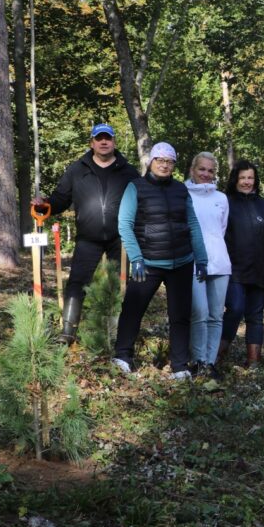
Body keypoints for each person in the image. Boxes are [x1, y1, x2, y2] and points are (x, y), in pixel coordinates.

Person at [33, 123, 139, 344]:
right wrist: (46, 205)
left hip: (120, 237)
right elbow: (61, 198)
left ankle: (117, 333)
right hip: (87, 237)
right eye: (98, 138)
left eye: (107, 138)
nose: (103, 142)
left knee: (119, 283)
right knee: (77, 283)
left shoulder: (128, 171)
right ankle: (68, 333)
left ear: (114, 142)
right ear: (91, 143)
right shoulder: (76, 169)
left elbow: (142, 201)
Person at [113, 142, 208, 379]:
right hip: (148, 262)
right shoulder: (136, 187)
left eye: (169, 161)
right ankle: (123, 356)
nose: (164, 165)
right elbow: (124, 224)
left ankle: (179, 366)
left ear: (174, 164)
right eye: (160, 160)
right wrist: (136, 258)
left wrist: (201, 258)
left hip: (182, 262)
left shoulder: (180, 189)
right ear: (151, 162)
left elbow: (193, 223)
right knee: (133, 309)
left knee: (180, 315)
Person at [220, 161, 264, 367]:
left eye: (250, 178)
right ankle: (217, 355)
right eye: (243, 178)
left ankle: (254, 360)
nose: (247, 182)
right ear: (235, 180)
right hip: (234, 268)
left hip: (261, 270)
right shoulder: (225, 202)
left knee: (256, 315)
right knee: (235, 309)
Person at [185, 152, 231, 379]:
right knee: (199, 312)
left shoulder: (221, 198)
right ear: (193, 169)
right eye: (201, 169)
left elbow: (221, 229)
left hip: (220, 263)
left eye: (210, 171)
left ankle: (210, 363)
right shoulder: (183, 193)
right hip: (194, 262)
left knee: (216, 315)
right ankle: (198, 359)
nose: (206, 174)